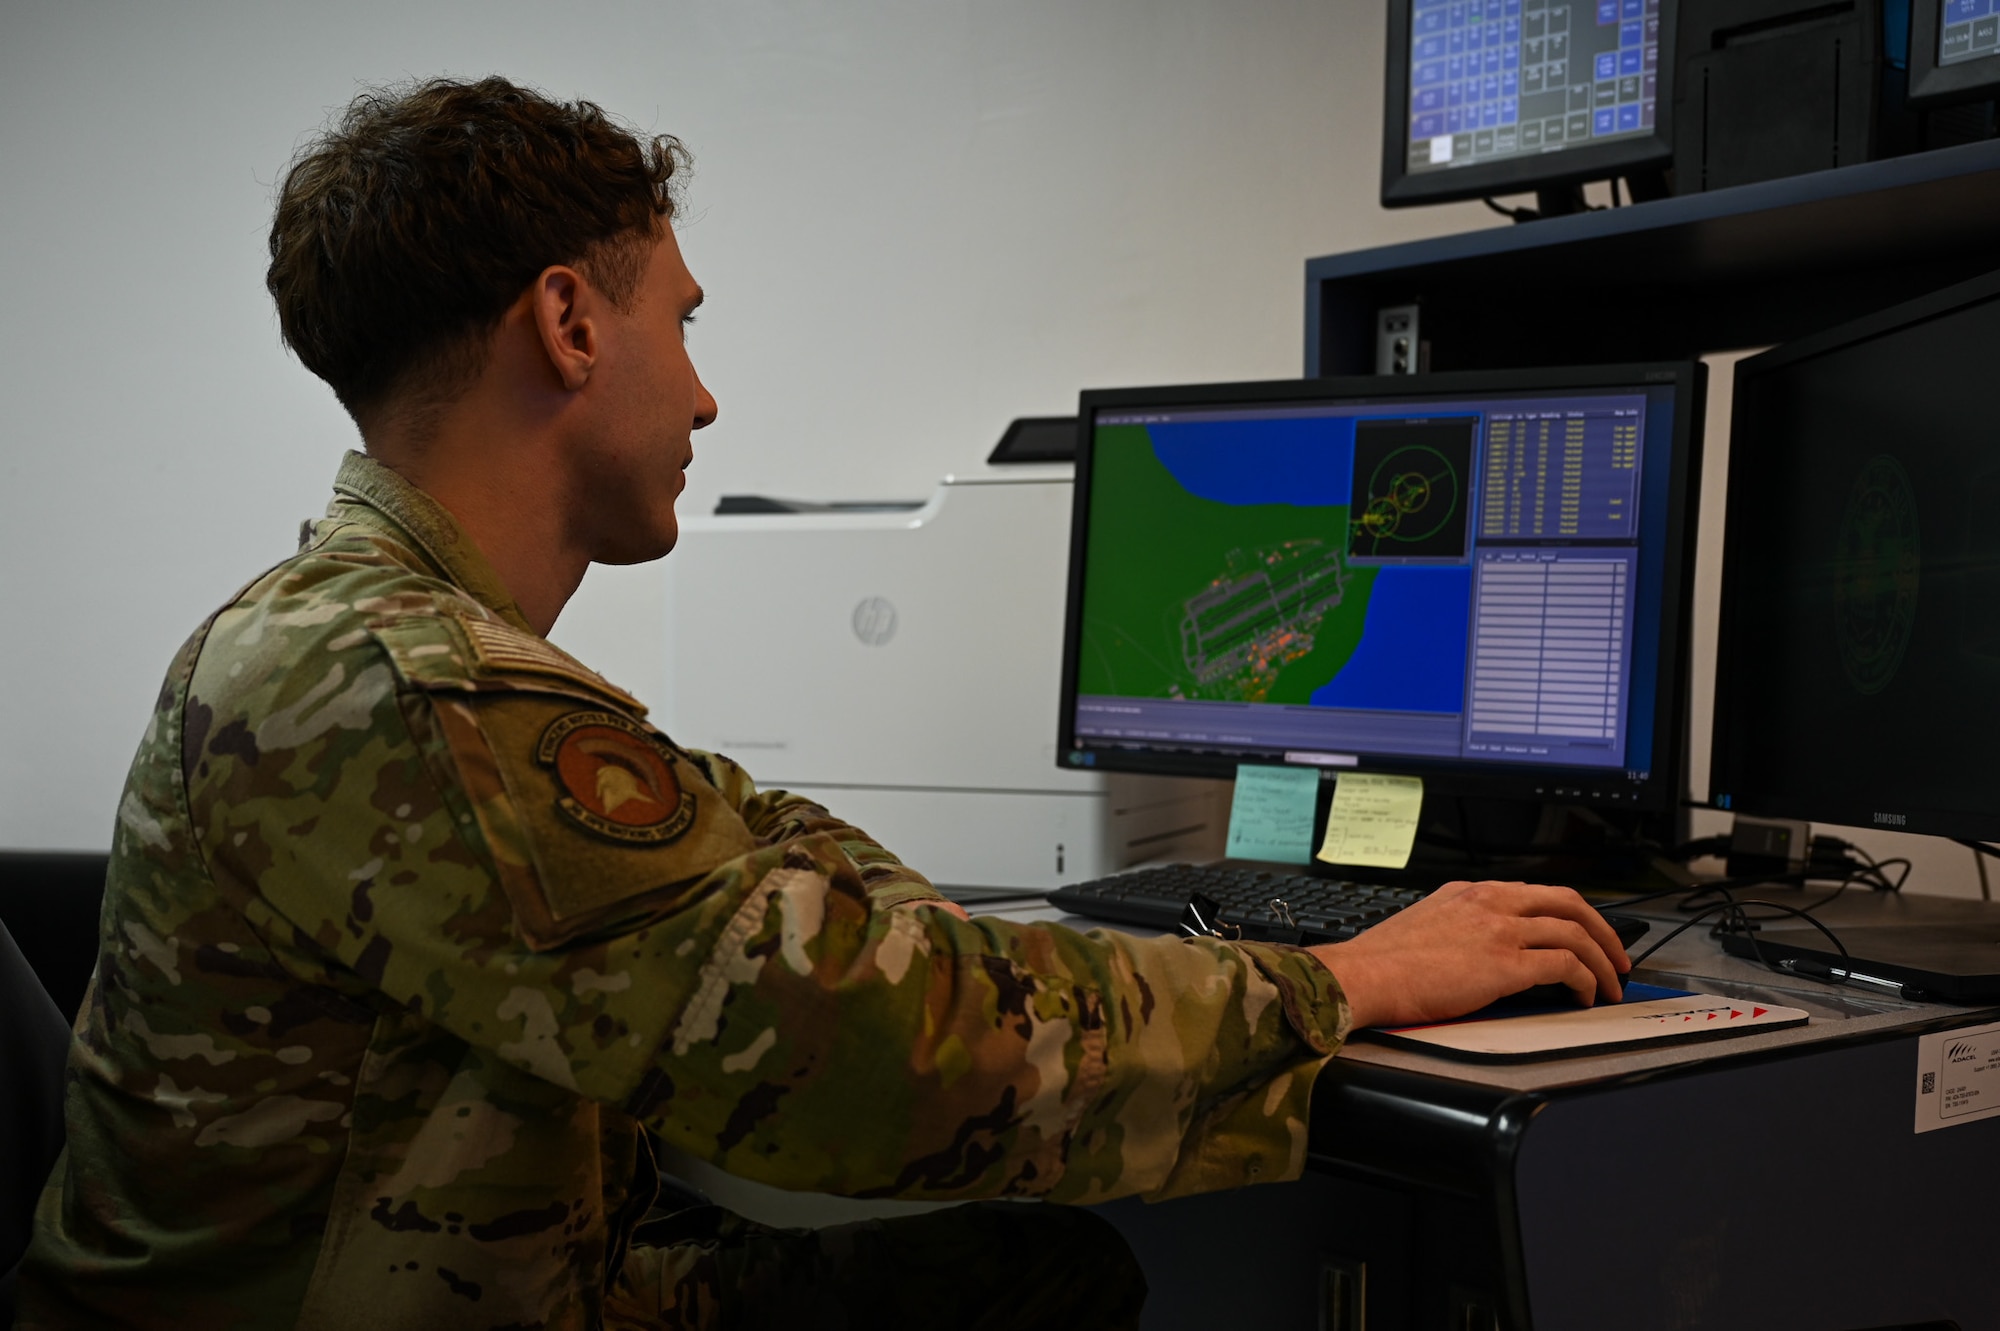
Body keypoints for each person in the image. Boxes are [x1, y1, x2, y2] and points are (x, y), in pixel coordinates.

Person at [16, 77, 1628, 1330]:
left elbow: (756, 829)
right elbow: (876, 1056)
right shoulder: (418, 688)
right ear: (569, 324)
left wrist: (952, 943)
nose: (706, 392)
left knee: (1014, 1269)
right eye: (681, 323)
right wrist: (1342, 980)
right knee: (1028, 1281)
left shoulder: (380, 637)